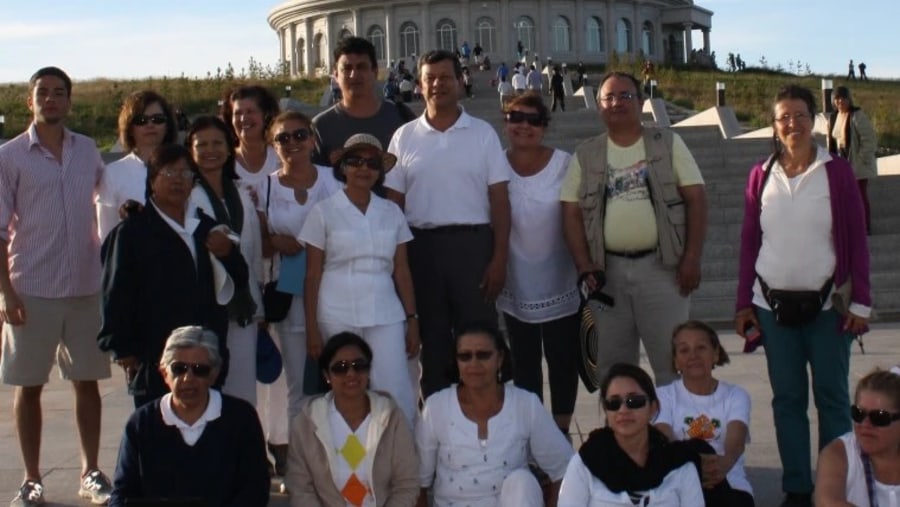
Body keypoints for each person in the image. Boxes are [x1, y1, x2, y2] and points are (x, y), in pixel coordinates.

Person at [733, 84, 871, 507]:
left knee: (831, 398)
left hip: (827, 306)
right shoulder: (762, 174)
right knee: (787, 399)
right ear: (774, 125)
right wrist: (743, 302)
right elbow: (749, 241)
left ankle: (834, 486)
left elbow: (857, 240)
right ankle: (797, 486)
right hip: (771, 306)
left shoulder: (837, 172)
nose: (792, 123)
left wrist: (861, 301)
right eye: (783, 117)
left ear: (816, 121)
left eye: (800, 115)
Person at [0, 66, 113, 507]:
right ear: (30, 101)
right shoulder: (10, 156)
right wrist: (6, 293)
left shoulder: (88, 151)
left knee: (88, 382)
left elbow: (111, 200)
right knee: (28, 387)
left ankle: (91, 471)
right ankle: (31, 478)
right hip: (32, 287)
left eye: (59, 92)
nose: (50, 99)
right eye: (42, 93)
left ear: (69, 101)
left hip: (85, 286)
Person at [560, 71, 707, 387]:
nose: (617, 103)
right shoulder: (586, 154)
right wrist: (584, 265)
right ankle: (620, 435)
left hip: (662, 270)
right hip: (607, 273)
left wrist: (691, 258)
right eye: (609, 97)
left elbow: (696, 198)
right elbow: (570, 212)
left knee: (673, 365)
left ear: (641, 102)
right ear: (598, 106)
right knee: (613, 370)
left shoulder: (667, 143)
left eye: (625, 95)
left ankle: (674, 436)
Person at [385, 50, 511, 398]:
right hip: (421, 250)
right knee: (434, 343)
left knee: (480, 341)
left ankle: (487, 418)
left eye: (445, 77)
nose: (437, 84)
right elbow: (393, 206)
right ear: (419, 85)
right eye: (430, 78)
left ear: (459, 81)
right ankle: (439, 431)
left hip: (473, 248)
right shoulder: (404, 136)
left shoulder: (482, 134)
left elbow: (500, 201)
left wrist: (499, 259)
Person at [98, 143, 249, 408]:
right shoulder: (133, 232)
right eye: (169, 172)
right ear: (152, 180)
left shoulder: (206, 227)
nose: (178, 180)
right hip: (154, 350)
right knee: (158, 428)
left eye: (186, 173)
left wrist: (227, 253)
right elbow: (116, 291)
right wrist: (123, 347)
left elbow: (239, 277)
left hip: (205, 350)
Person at [300, 134, 420, 425]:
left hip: (385, 311)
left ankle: (403, 459)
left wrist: (412, 319)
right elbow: (313, 274)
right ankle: (349, 463)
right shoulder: (323, 211)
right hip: (335, 310)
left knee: (396, 389)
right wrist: (312, 329)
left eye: (372, 163)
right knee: (345, 388)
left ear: (380, 171)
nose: (363, 169)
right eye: (355, 161)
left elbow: (401, 271)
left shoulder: (391, 212)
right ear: (343, 167)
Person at [109, 326, 270, 507]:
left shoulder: (241, 419)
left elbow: (255, 490)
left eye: (200, 369)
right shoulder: (141, 423)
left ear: (214, 374)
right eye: (179, 369)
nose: (188, 378)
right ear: (164, 373)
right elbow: (122, 493)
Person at [416, 323, 573, 507]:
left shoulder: (525, 404)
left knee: (522, 482)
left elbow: (564, 469)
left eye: (483, 355)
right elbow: (419, 482)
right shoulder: (436, 407)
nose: (474, 364)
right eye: (465, 356)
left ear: (499, 359)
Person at [497, 93, 580, 437]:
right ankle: (531, 436)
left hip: (560, 279)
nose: (524, 126)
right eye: (516, 118)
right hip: (516, 281)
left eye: (533, 120)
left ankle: (560, 434)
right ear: (506, 123)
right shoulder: (496, 165)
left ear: (545, 127)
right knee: (524, 363)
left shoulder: (566, 163)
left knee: (563, 360)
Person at [256, 111, 342, 420]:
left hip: (334, 292)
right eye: (282, 138)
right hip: (290, 293)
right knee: (300, 388)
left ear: (312, 139)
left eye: (300, 135)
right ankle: (302, 464)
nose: (292, 143)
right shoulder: (265, 189)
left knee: (340, 382)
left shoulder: (334, 180)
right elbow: (260, 246)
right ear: (273, 146)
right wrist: (277, 241)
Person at [285, 332, 420, 507]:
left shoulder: (391, 416)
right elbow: (300, 489)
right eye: (340, 367)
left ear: (369, 371)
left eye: (359, 365)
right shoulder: (306, 423)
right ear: (327, 375)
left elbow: (406, 484)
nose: (351, 373)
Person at [186, 116, 264, 406]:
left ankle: (240, 450)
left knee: (243, 391)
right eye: (201, 144)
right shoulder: (187, 197)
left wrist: (259, 305)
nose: (210, 150)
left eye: (217, 143)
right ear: (190, 150)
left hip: (244, 305)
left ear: (230, 148)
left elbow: (253, 251)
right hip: (205, 304)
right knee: (208, 388)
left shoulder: (242, 193)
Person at [558, 363, 704, 506]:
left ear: (653, 408)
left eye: (634, 401)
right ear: (606, 410)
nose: (623, 410)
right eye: (613, 403)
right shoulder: (585, 463)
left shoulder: (680, 464)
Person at [655, 321, 754, 506]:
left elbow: (736, 442)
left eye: (701, 347)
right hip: (681, 480)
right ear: (675, 361)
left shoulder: (736, 395)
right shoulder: (663, 395)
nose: (693, 355)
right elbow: (664, 437)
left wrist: (721, 467)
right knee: (695, 448)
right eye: (684, 350)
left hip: (728, 481)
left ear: (716, 354)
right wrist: (695, 467)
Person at [312, 37, 416, 172]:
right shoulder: (321, 126)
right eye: (347, 68)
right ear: (336, 75)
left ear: (375, 71)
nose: (354, 75)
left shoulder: (401, 117)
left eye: (361, 67)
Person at [97, 90, 178, 240]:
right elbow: (106, 235)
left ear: (167, 125)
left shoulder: (185, 169)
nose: (150, 125)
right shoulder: (112, 173)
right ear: (130, 128)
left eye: (158, 119)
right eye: (141, 120)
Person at [814, 366, 900, 506]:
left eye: (879, 417)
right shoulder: (838, 453)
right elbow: (828, 503)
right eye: (858, 414)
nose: (865, 424)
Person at [827, 86, 878, 235]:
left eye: (843, 98)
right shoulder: (834, 117)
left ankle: (864, 226)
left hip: (857, 161)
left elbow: (869, 140)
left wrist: (861, 158)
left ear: (849, 99)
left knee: (859, 196)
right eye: (837, 98)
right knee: (843, 198)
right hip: (841, 161)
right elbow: (832, 140)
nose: (840, 101)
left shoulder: (857, 115)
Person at [222, 85, 282, 199]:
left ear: (266, 115)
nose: (243, 118)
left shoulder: (281, 157)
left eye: (250, 111)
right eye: (238, 113)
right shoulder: (224, 162)